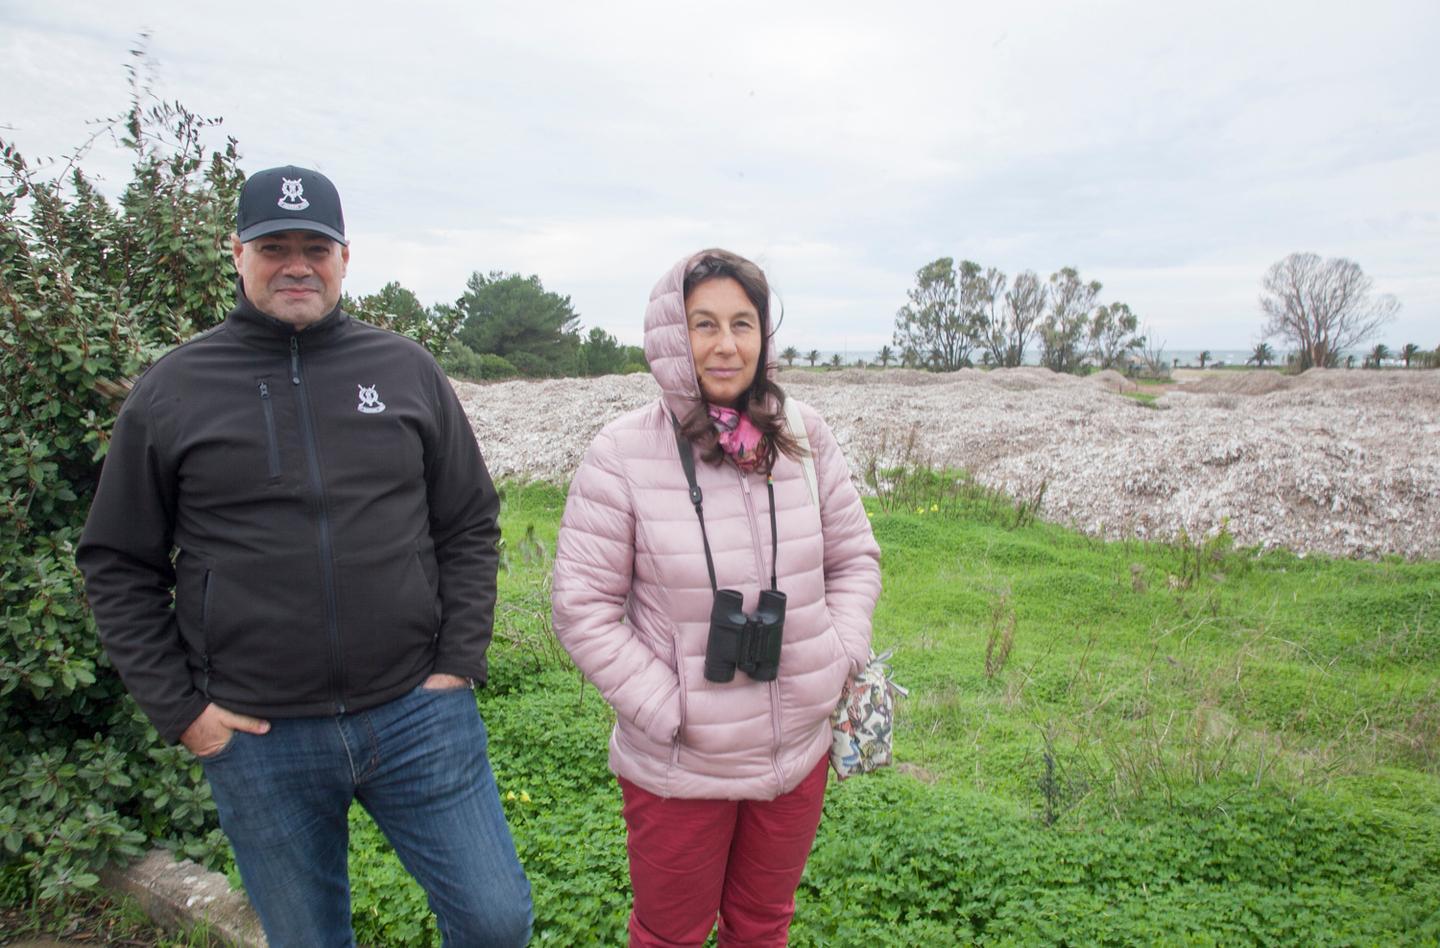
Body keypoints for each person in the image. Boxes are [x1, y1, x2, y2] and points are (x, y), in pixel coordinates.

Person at [77, 165, 532, 947]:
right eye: (274, 247)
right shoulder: (173, 389)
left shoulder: (405, 370)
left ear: (344, 258)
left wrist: (458, 660)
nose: (296, 265)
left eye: (315, 248)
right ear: (237, 254)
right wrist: (184, 714)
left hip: (417, 715)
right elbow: (117, 560)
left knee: (496, 922)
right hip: (260, 739)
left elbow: (467, 520)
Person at [551, 249, 881, 946]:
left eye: (742, 324)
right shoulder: (621, 453)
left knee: (762, 927)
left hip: (796, 756)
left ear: (764, 335)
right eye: (704, 324)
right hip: (683, 767)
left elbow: (854, 558)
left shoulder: (802, 436)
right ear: (674, 335)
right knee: (670, 934)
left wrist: (839, 656)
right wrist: (666, 708)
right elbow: (581, 606)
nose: (725, 344)